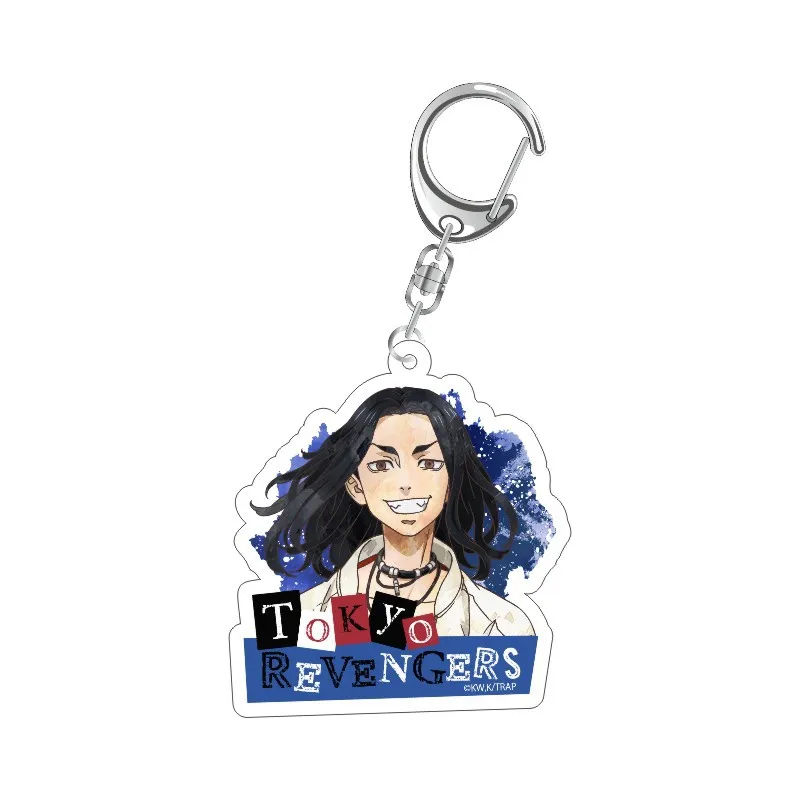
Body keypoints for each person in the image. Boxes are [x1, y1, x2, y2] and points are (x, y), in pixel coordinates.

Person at [251, 387, 534, 636]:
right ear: (356, 486)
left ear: (451, 483)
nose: (406, 483)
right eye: (382, 465)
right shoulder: (302, 617)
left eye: (428, 463)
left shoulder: (502, 625)